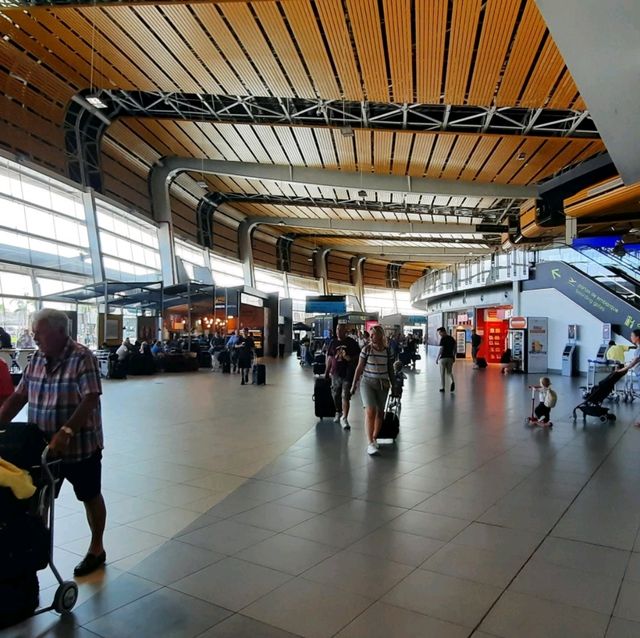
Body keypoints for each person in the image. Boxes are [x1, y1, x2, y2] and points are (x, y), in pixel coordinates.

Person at [0, 308, 106, 577]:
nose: (34, 337)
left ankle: (96, 547)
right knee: (39, 501)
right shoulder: (36, 359)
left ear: (60, 332)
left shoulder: (83, 357)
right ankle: (34, 551)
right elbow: (19, 396)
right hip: (42, 448)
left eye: (39, 333)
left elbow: (91, 398)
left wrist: (67, 431)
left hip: (80, 446)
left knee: (89, 495)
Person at [350, 325, 394, 456]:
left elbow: (390, 369)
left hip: (383, 384)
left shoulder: (388, 351)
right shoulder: (366, 349)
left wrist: (395, 385)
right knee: (370, 410)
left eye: (374, 334)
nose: (371, 337)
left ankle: (374, 438)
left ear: (380, 335)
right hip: (367, 383)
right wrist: (354, 385)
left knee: (380, 413)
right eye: (371, 334)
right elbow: (359, 368)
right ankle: (370, 442)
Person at [326, 323, 361, 430]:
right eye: (337, 329)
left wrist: (349, 358)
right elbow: (330, 358)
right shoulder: (333, 342)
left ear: (345, 331)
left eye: (340, 330)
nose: (338, 332)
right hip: (336, 373)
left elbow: (359, 357)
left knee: (345, 395)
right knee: (335, 394)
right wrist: (326, 371)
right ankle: (338, 412)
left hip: (348, 373)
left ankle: (345, 418)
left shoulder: (352, 343)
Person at [436, 327, 456, 392]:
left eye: (440, 333)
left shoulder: (443, 339)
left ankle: (443, 388)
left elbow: (441, 349)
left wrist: (437, 358)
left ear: (443, 331)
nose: (440, 334)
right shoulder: (452, 338)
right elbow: (455, 348)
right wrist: (454, 356)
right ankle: (452, 381)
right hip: (450, 358)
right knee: (449, 372)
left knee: (442, 373)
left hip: (443, 358)